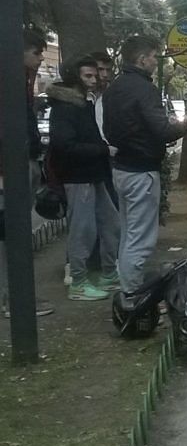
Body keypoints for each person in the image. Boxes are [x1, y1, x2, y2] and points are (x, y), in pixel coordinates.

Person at [103, 36, 187, 298]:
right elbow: (162, 130)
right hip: (142, 171)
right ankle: (132, 294)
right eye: (154, 56)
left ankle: (128, 286)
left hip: (122, 168)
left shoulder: (114, 88)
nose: (156, 61)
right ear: (142, 59)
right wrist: (185, 125)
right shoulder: (144, 89)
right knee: (140, 238)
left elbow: (111, 129)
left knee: (129, 233)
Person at [47, 56, 120, 301]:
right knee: (83, 231)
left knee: (111, 225)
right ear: (73, 77)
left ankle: (109, 274)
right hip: (78, 177)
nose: (93, 80)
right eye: (87, 76)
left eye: (94, 75)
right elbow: (64, 145)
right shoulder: (65, 107)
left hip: (94, 174)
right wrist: (102, 150)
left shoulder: (83, 103)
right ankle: (78, 282)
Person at [0, 29, 55, 317]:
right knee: (14, 233)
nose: (40, 58)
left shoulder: (21, 79)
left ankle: (14, 297)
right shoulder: (10, 80)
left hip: (20, 162)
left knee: (13, 233)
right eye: (36, 52)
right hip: (11, 168)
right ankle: (16, 300)